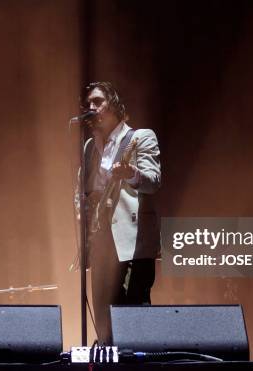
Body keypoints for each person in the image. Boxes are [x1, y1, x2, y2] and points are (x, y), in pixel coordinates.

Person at [80, 82, 161, 344]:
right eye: (88, 103)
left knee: (132, 313)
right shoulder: (90, 146)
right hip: (101, 241)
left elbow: (153, 180)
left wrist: (131, 174)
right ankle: (106, 359)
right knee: (104, 312)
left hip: (131, 241)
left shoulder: (141, 137)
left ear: (113, 104)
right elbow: (83, 191)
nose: (91, 107)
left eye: (98, 101)